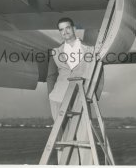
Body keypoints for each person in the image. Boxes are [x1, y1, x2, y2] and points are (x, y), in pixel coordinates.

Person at [47, 17, 95, 165]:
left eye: (67, 28)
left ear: (74, 28)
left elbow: (98, 74)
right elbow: (51, 76)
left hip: (81, 97)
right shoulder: (56, 52)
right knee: (63, 138)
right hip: (59, 98)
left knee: (84, 135)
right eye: (61, 29)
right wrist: (51, 95)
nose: (65, 32)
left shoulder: (90, 49)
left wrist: (93, 95)